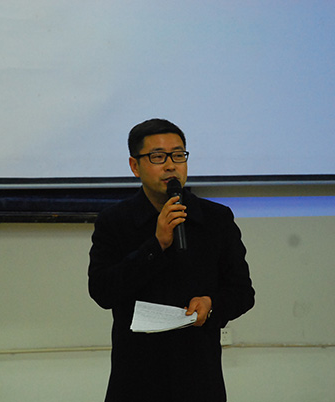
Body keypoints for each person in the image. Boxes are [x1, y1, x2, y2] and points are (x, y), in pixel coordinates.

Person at [88, 118, 255, 402]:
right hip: (137, 374)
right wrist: (156, 245)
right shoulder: (114, 221)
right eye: (158, 157)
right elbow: (102, 292)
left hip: (198, 372)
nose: (170, 165)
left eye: (178, 155)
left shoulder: (216, 219)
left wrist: (211, 304)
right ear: (135, 166)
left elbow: (242, 293)